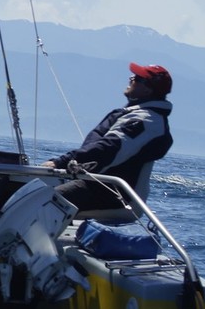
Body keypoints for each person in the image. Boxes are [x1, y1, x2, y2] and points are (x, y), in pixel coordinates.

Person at [40, 62, 173, 212]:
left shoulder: (145, 120)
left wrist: (60, 162)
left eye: (137, 78)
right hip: (97, 183)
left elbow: (110, 148)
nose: (131, 79)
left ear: (148, 90)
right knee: (28, 186)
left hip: (110, 192)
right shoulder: (141, 115)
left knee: (40, 199)